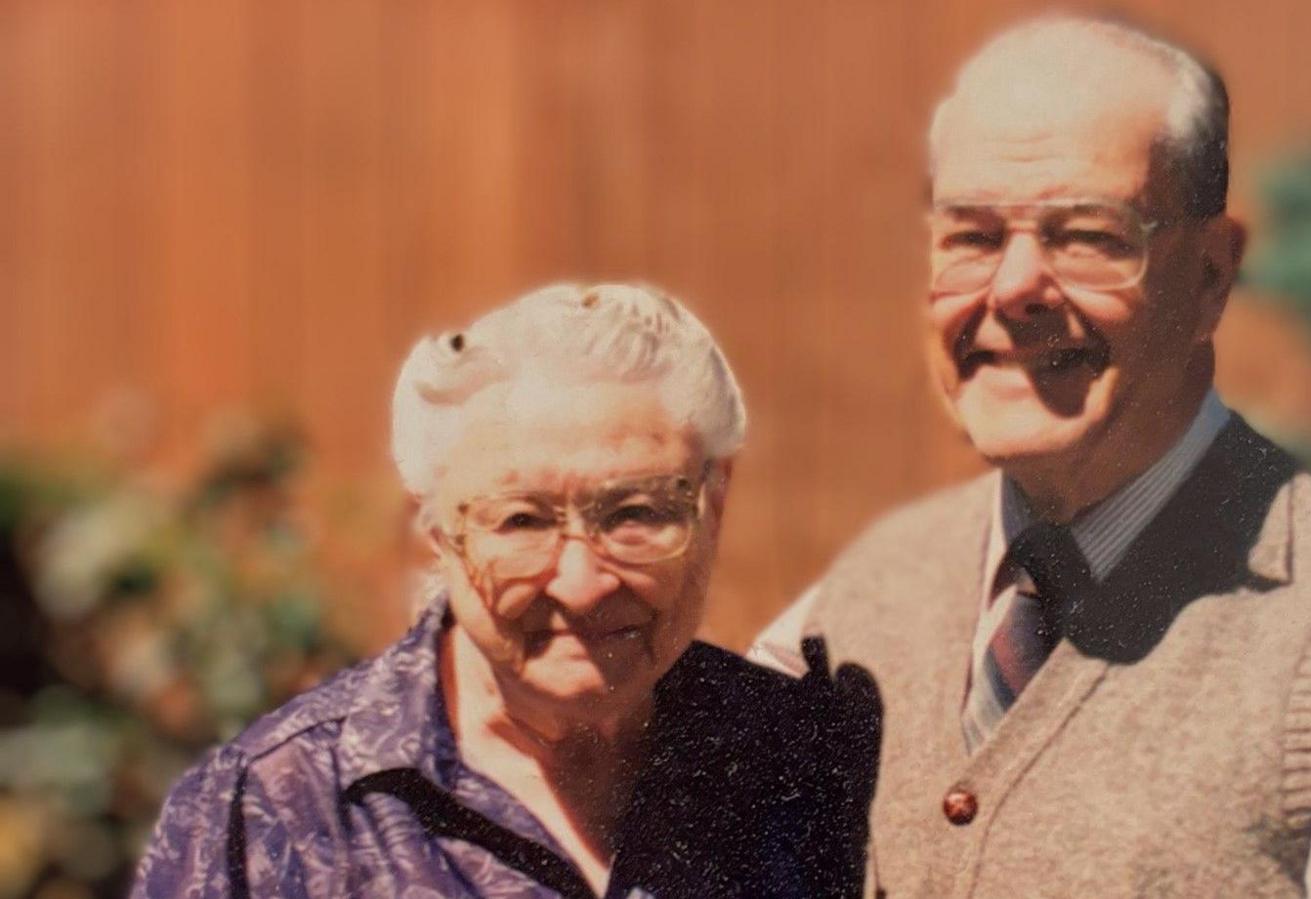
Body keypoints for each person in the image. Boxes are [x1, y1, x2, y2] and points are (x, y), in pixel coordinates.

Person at [750, 15, 1311, 898]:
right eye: (972, 235)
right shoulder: (854, 603)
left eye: (1087, 236)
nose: (1014, 288)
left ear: (1209, 278)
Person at [133, 283, 859, 898]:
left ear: (715, 502)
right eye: (521, 520)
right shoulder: (275, 810)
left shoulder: (812, 767)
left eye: (637, 512)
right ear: (436, 530)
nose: (581, 584)